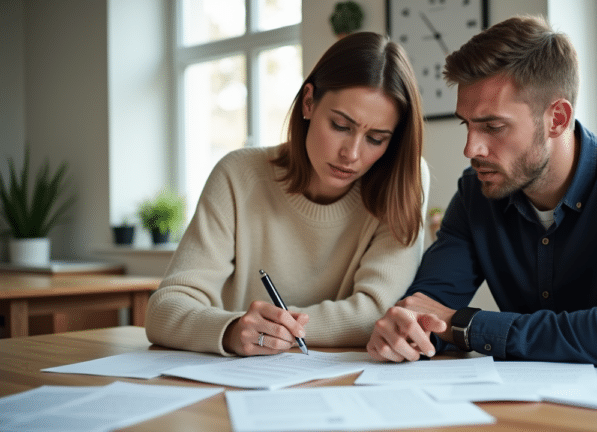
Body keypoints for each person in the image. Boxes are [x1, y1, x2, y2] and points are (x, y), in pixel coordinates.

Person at [366, 15, 597, 374]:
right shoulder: (477, 194)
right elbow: (426, 312)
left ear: (557, 118)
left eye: (493, 126)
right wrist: (406, 331)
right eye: (466, 125)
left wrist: (468, 325)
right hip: (545, 407)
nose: (471, 148)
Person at [146, 32, 429, 357]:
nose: (351, 154)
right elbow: (163, 310)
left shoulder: (404, 181)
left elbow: (377, 314)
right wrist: (232, 330)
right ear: (308, 102)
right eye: (340, 126)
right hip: (237, 383)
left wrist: (278, 329)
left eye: (376, 139)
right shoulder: (237, 175)